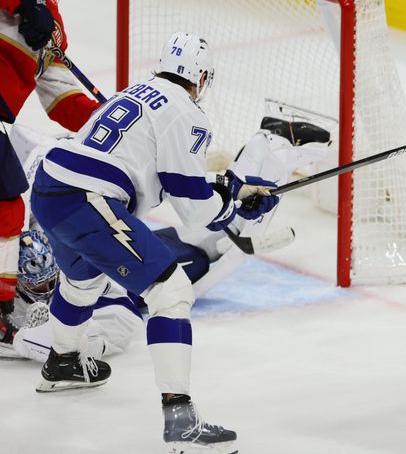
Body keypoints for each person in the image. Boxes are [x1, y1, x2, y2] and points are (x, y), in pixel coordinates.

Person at [29, 32, 283, 454]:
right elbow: (193, 209)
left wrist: (230, 189)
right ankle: (181, 420)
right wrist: (234, 211)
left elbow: (162, 169)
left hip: (54, 187)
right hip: (89, 197)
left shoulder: (138, 92)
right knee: (171, 291)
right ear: (201, 77)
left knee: (82, 283)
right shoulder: (188, 112)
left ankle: (64, 362)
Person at [4, 112, 332, 363]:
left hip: (123, 250)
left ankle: (269, 152)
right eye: (40, 287)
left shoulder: (69, 282)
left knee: (220, 247)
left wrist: (25, 339)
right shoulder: (42, 224)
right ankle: (265, 149)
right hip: (113, 213)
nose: (44, 289)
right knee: (209, 239)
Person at [0, 0, 100, 353]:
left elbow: (62, 100)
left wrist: (110, 124)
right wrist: (27, 0)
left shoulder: (54, 31)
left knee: (7, 205)